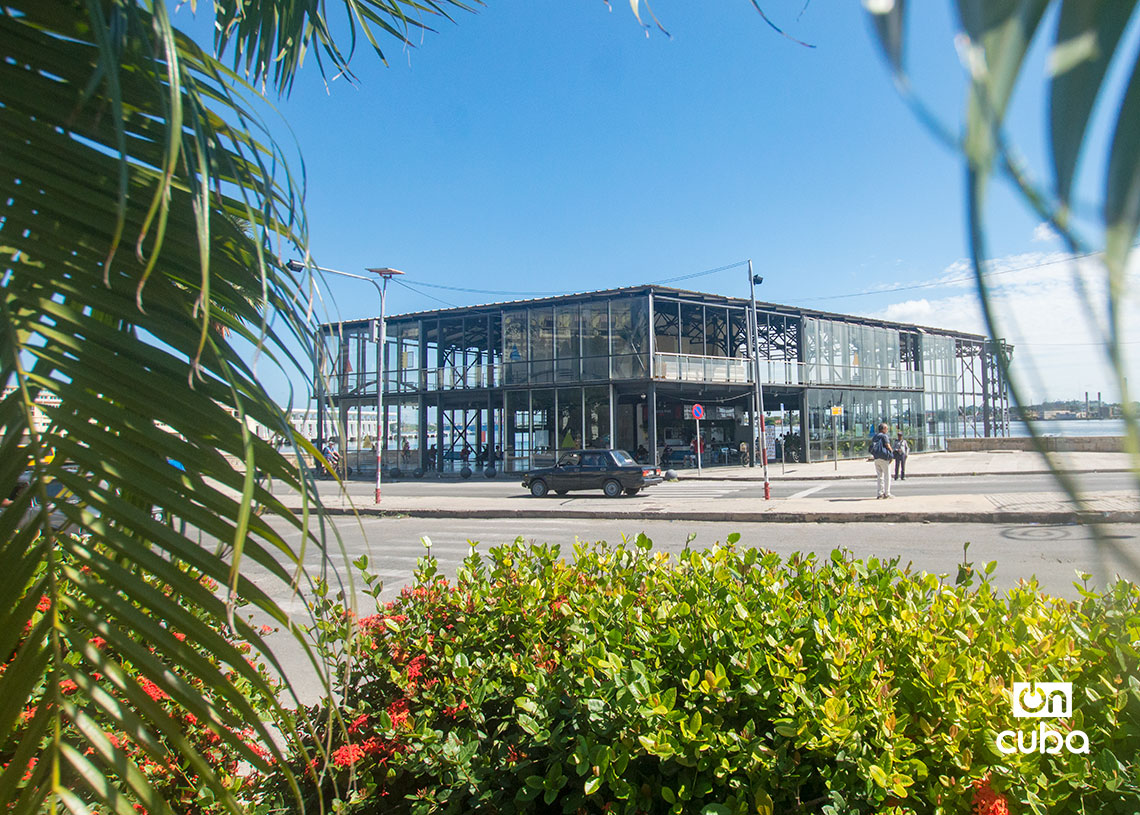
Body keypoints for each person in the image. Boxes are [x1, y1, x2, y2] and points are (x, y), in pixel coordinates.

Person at [869, 422, 894, 499]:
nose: (887, 430)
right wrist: (892, 454)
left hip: (876, 458)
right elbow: (887, 445)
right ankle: (887, 493)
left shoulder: (875, 436)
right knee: (887, 476)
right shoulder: (884, 436)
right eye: (886, 428)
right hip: (884, 458)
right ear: (883, 429)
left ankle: (880, 493)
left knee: (879, 476)